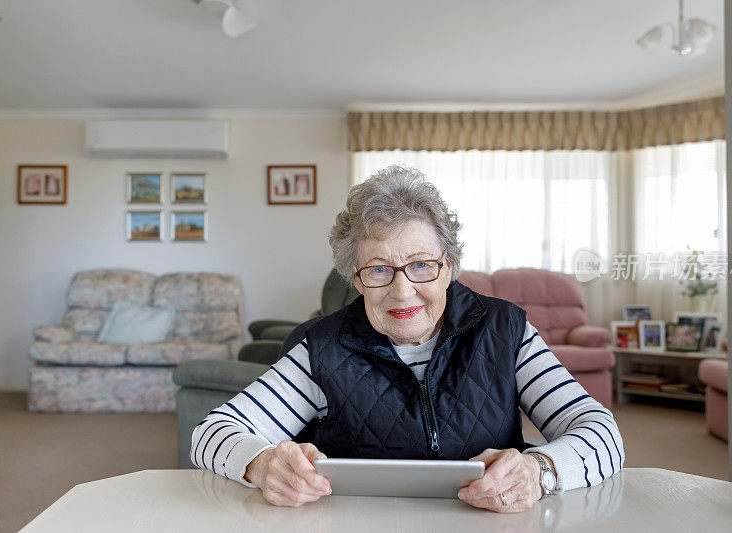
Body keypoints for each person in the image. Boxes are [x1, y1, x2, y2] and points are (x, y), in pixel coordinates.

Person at [192, 165, 624, 513]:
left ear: (449, 265)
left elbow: (603, 433)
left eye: (421, 265)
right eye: (379, 270)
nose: (402, 291)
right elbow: (210, 434)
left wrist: (540, 471)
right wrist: (261, 463)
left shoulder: (504, 330)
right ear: (356, 279)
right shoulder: (319, 347)